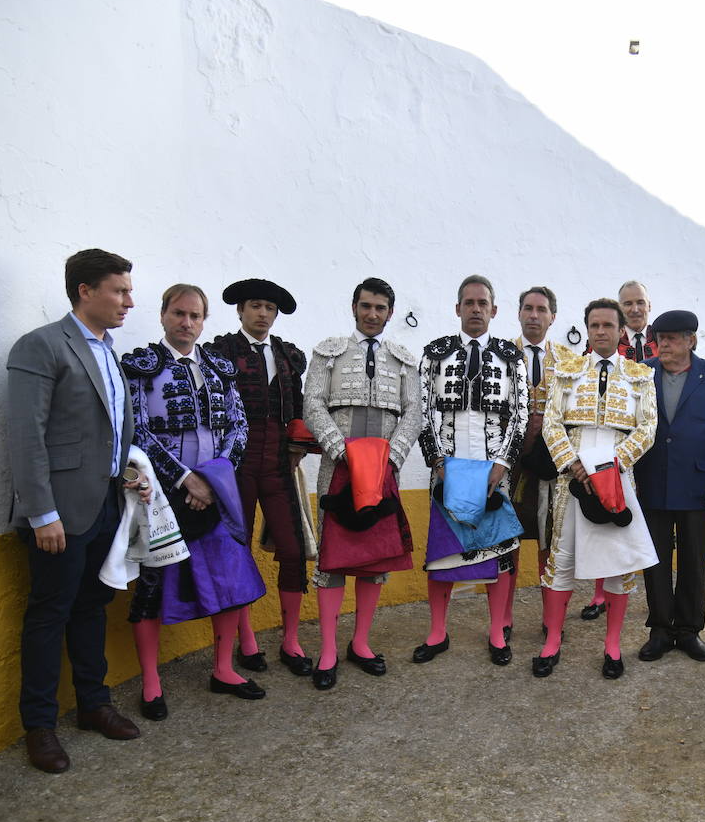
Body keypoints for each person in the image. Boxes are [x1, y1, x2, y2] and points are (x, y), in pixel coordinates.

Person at [7, 248, 147, 772]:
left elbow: (106, 434)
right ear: (85, 291)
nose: (128, 301)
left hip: (105, 507)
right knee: (48, 615)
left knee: (91, 609)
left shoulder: (108, 350)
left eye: (128, 290)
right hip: (59, 516)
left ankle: (93, 704)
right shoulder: (41, 346)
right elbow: (27, 438)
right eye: (119, 290)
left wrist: (129, 476)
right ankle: (39, 726)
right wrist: (42, 514)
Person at [123, 284, 267, 718]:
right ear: (164, 314)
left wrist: (213, 478)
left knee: (230, 584)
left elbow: (238, 428)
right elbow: (138, 432)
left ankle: (223, 668)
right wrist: (187, 479)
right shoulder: (141, 367)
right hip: (163, 497)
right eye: (179, 314)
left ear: (204, 321)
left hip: (216, 492)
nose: (187, 323)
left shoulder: (220, 369)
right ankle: (151, 682)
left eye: (195, 316)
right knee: (150, 588)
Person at [303, 277, 423, 689]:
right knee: (331, 559)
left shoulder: (405, 359)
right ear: (354, 306)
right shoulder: (328, 353)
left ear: (390, 312)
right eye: (366, 306)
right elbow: (313, 402)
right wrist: (340, 450)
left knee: (374, 558)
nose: (373, 314)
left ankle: (361, 642)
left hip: (383, 470)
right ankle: (329, 650)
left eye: (381, 308)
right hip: (338, 468)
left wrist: (392, 457)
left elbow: (413, 412)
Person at [532, 297, 659, 678]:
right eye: (595, 326)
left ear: (621, 331)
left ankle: (613, 645)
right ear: (587, 330)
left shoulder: (640, 375)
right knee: (561, 560)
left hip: (619, 476)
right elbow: (552, 424)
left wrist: (610, 465)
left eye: (608, 326)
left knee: (620, 565)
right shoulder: (567, 371)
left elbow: (648, 428)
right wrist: (574, 464)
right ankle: (552, 640)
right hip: (573, 480)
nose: (601, 332)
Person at [416, 275, 527, 666]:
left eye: (483, 303)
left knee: (498, 552)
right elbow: (423, 409)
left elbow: (520, 412)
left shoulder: (511, 357)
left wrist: (502, 463)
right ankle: (437, 631)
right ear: (457, 308)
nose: (476, 309)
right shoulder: (434, 353)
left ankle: (497, 631)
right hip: (446, 467)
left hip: (494, 467)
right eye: (469, 302)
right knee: (442, 552)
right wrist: (437, 460)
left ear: (493, 311)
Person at [206, 279, 313, 676]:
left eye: (269, 307)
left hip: (279, 465)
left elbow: (298, 408)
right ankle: (246, 638)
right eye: (255, 306)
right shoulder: (222, 352)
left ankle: (290, 640)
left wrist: (298, 446)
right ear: (240, 311)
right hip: (236, 466)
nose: (262, 313)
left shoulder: (288, 356)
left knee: (292, 548)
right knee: (238, 551)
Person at [635, 310, 705, 663]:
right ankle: (661, 629)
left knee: (694, 559)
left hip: (698, 484)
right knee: (656, 560)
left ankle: (690, 630)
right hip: (652, 483)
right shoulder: (643, 372)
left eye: (672, 338)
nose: (663, 344)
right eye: (660, 338)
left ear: (690, 340)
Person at [506, 286, 572, 624]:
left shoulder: (568, 360)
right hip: (509, 464)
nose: (534, 315)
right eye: (528, 308)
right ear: (519, 313)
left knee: (551, 542)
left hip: (552, 465)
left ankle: (551, 618)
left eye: (541, 309)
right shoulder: (501, 355)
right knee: (508, 540)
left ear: (552, 317)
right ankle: (505, 617)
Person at [616, 280, 658, 362]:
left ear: (649, 306)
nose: (635, 310)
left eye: (640, 303)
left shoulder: (662, 340)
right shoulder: (611, 340)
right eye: (628, 304)